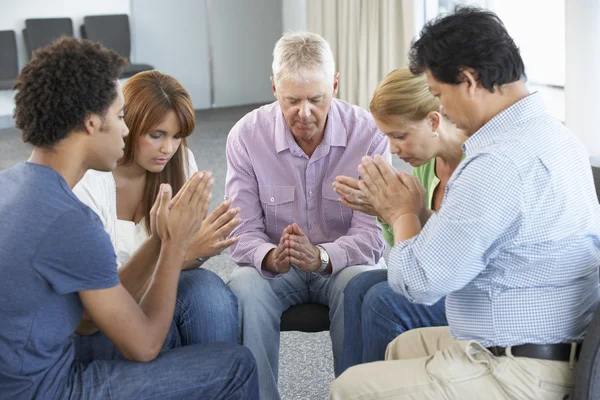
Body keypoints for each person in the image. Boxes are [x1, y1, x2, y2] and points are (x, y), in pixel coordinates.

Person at [330, 7, 600, 399]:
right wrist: (418, 212)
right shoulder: (554, 135)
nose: (440, 109)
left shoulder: (498, 162)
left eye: (439, 94)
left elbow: (419, 284)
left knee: (350, 387)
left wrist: (401, 213)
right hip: (556, 341)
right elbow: (474, 242)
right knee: (400, 348)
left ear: (469, 81)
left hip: (523, 369)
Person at [0, 37, 258, 399]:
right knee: (236, 366)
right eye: (121, 117)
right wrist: (171, 243)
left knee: (199, 304)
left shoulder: (9, 184)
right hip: (50, 388)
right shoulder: (72, 219)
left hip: (33, 367)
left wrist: (160, 238)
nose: (125, 129)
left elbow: (90, 321)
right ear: (92, 123)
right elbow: (144, 345)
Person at [225, 31, 389, 400]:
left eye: (316, 99)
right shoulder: (246, 136)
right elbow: (241, 231)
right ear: (273, 88)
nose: (304, 113)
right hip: (276, 270)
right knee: (243, 289)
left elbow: (373, 237)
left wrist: (323, 257)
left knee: (363, 285)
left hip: (343, 266)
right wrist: (269, 255)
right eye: (291, 100)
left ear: (334, 85)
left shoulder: (370, 135)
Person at [73, 70, 241, 354]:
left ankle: (220, 383)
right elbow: (100, 304)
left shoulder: (182, 162)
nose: (168, 149)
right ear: (129, 125)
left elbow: (186, 253)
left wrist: (196, 251)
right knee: (157, 334)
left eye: (177, 136)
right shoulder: (91, 182)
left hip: (162, 284)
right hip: (107, 305)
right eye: (156, 135)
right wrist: (184, 254)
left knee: (211, 294)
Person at [333, 67, 466, 373]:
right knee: (357, 286)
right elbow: (409, 244)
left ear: (433, 121)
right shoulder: (427, 163)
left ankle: (380, 389)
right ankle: (351, 389)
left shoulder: (474, 166)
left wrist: (400, 213)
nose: (392, 149)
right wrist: (385, 213)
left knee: (383, 300)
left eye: (400, 136)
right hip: (436, 275)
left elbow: (447, 259)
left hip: (465, 288)